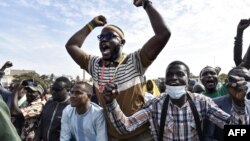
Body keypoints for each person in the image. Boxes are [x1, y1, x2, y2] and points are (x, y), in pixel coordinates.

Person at [65, 0, 171, 140]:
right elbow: (71, 45)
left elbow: (163, 34)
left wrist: (147, 4)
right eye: (101, 37)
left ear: (122, 42)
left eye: (109, 37)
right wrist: (91, 25)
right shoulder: (95, 64)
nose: (103, 40)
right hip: (112, 136)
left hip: (140, 136)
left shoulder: (136, 60)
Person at [103, 60, 250, 141]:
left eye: (180, 74)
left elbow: (235, 130)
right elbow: (126, 126)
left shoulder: (201, 102)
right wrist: (111, 103)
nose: (174, 78)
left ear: (188, 81)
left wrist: (238, 104)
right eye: (170, 75)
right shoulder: (155, 104)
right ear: (165, 80)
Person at [204, 66, 250, 141]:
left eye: (247, 79)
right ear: (227, 82)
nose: (242, 81)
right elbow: (208, 137)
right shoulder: (212, 104)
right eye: (237, 78)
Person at [35, 76, 71, 141]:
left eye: (57, 90)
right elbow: (41, 125)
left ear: (68, 90)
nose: (53, 92)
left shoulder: (72, 107)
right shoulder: (49, 103)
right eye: (53, 89)